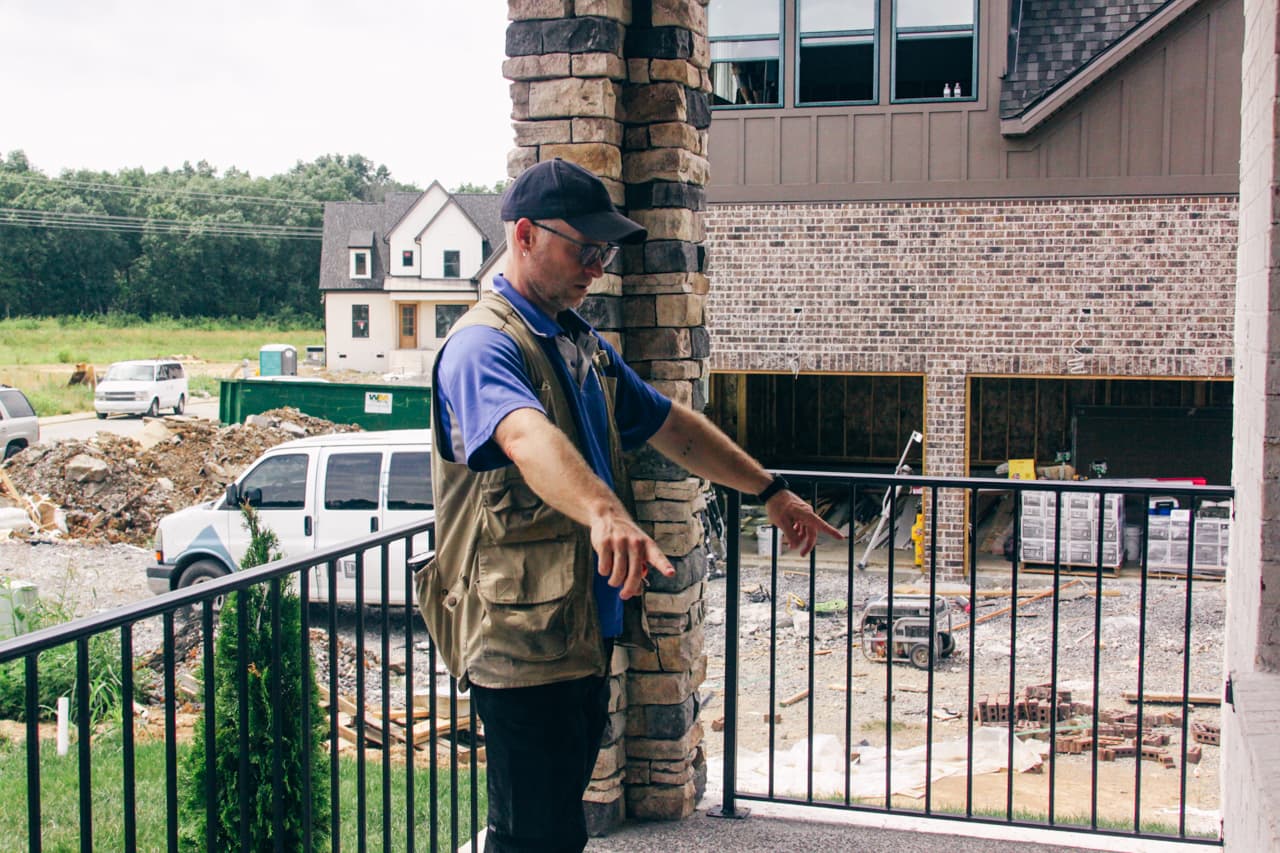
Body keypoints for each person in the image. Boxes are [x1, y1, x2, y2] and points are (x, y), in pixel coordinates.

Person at [417, 158, 841, 853]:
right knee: (534, 837)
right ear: (524, 235)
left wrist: (769, 489)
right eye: (583, 248)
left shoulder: (581, 345)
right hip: (518, 644)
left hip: (579, 631)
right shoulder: (481, 346)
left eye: (604, 251)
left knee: (553, 829)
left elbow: (673, 425)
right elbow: (524, 434)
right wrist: (605, 512)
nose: (597, 265)